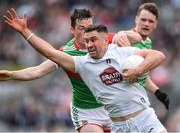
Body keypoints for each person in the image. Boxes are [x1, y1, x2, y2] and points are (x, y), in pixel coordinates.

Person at [3, 9, 167, 132]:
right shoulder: (70, 55)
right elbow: (38, 70)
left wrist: (124, 34)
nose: (87, 32)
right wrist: (11, 75)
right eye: (82, 28)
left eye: (90, 27)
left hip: (112, 108)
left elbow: (139, 39)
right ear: (72, 30)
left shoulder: (107, 40)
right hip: (86, 111)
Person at [114, 2, 169, 109]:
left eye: (150, 21)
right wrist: (121, 33)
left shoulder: (148, 43)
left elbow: (141, 74)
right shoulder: (126, 39)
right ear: (136, 19)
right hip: (118, 97)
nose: (146, 24)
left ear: (155, 24)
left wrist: (157, 92)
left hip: (132, 96)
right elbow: (123, 35)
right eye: (143, 20)